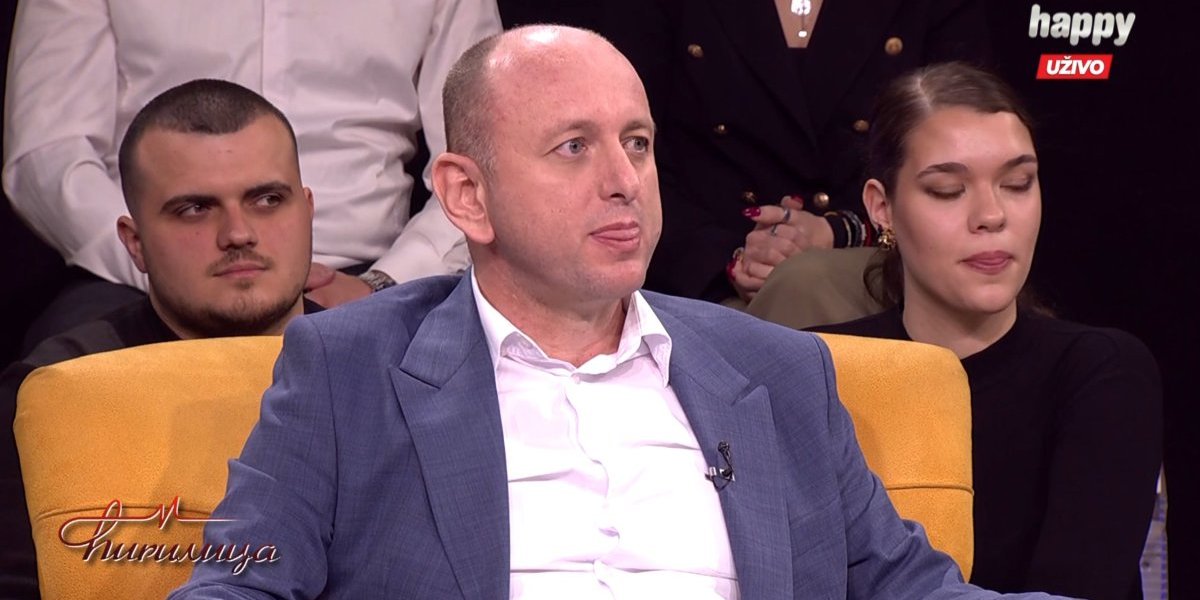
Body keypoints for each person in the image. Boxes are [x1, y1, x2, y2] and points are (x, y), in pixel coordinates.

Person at [170, 27, 1065, 599]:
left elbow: (915, 591)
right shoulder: (348, 368)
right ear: (467, 195)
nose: (623, 180)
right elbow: (239, 584)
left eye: (637, 143)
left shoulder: (779, 372)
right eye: (574, 147)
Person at [814, 62, 1162, 599]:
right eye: (949, 190)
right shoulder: (817, 367)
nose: (992, 215)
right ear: (882, 207)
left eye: (1018, 183)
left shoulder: (1101, 372)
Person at [2, 0, 501, 348]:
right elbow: (49, 153)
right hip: (145, 276)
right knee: (59, 381)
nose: (242, 233)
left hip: (371, 272)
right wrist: (170, 270)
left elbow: (482, 160)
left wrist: (386, 283)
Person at [0, 79, 324, 599]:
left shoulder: (384, 365)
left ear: (307, 210)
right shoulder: (59, 387)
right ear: (135, 243)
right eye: (195, 209)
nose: (238, 233)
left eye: (267, 199)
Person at [600, 0, 990, 306]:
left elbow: (962, 157)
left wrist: (839, 231)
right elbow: (630, 155)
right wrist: (732, 259)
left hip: (882, 262)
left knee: (809, 292)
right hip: (704, 276)